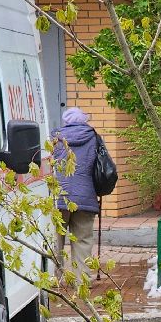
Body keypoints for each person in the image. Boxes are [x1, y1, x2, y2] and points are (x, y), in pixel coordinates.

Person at [51, 107, 102, 281]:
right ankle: (83, 281)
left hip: (59, 197)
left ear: (66, 121)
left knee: (55, 241)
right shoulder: (94, 137)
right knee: (83, 240)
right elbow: (103, 165)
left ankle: (54, 279)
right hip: (85, 197)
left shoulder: (54, 138)